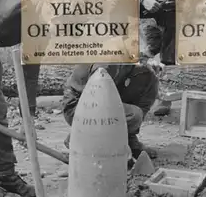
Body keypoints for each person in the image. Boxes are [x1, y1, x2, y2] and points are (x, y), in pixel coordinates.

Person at [62, 22, 163, 160]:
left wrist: (147, 66)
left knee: (149, 79)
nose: (143, 59)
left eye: (146, 57)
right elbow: (95, 98)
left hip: (104, 96)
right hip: (79, 106)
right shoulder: (108, 59)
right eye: (142, 55)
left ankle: (128, 137)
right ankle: (80, 138)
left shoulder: (127, 48)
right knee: (134, 115)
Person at [0, 0, 39, 197]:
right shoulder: (11, 11)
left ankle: (5, 175)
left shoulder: (45, 23)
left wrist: (27, 118)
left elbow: (29, 72)